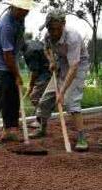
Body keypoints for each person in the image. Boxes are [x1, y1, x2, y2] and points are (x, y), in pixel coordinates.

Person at [30, 9, 89, 151]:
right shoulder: (48, 35)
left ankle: (82, 137)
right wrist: (51, 61)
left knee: (70, 101)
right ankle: (41, 129)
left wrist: (62, 92)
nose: (53, 32)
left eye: (56, 29)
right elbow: (47, 49)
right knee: (45, 100)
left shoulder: (73, 38)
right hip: (61, 63)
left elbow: (73, 67)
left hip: (78, 65)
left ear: (63, 25)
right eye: (50, 28)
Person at [0, 0, 33, 142]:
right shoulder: (6, 26)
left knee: (12, 100)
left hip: (10, 65)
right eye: (23, 10)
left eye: (27, 10)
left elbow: (18, 44)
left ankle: (9, 131)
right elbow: (8, 55)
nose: (25, 12)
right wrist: (17, 75)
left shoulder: (19, 20)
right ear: (14, 7)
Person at [22, 39, 52, 128]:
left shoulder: (30, 52)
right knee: (40, 97)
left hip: (46, 72)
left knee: (35, 97)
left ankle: (40, 121)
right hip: (48, 69)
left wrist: (31, 86)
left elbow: (34, 71)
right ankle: (40, 119)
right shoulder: (32, 42)